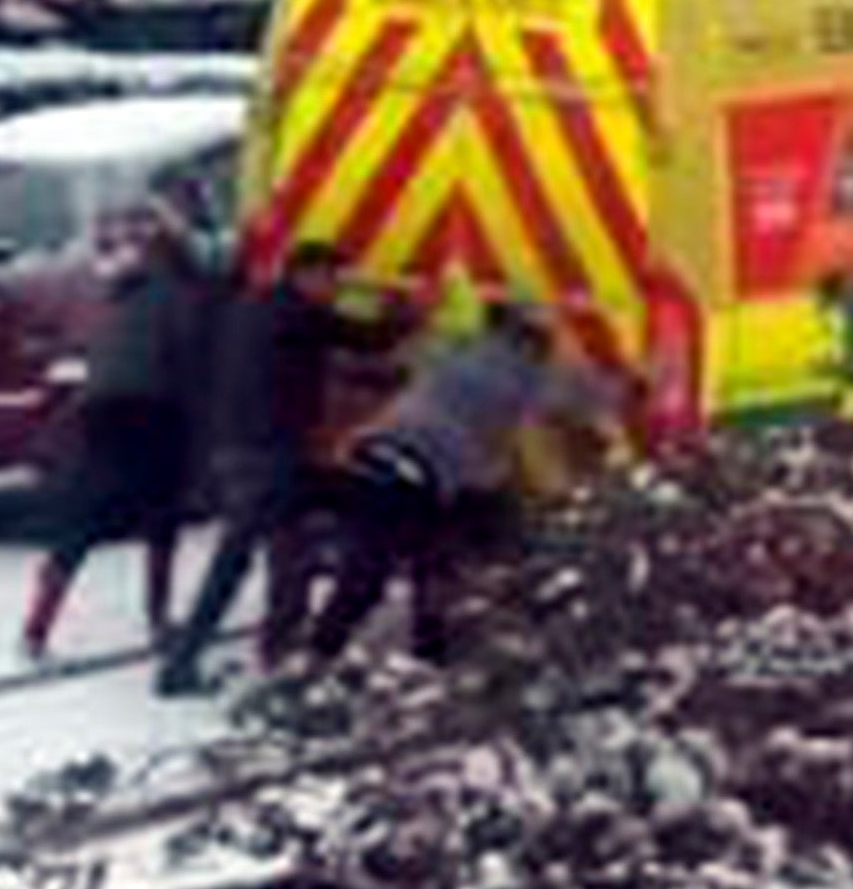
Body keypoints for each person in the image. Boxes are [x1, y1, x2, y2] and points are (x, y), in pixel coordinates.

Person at [302, 298, 644, 669]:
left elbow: (407, 348)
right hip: (415, 476)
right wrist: (637, 382)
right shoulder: (527, 372)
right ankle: (342, 655)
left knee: (408, 556)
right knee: (389, 568)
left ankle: (389, 647)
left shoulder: (455, 346)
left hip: (371, 455)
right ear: (529, 338)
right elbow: (590, 396)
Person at [154, 240, 364, 696]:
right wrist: (418, 312)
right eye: (333, 279)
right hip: (270, 455)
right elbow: (367, 338)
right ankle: (186, 663)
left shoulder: (252, 306)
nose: (337, 289)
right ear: (306, 275)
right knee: (248, 558)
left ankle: (275, 652)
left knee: (285, 552)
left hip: (234, 448)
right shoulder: (300, 312)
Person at [20, 198, 211, 662]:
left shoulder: (124, 290)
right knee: (162, 522)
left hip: (100, 410)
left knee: (80, 525)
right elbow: (190, 363)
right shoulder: (181, 292)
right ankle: (159, 620)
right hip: (153, 412)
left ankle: (36, 627)